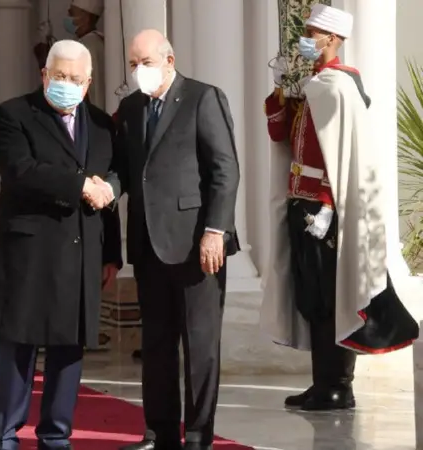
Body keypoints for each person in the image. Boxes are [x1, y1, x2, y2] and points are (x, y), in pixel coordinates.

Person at [261, 4, 418, 412]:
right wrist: (281, 94)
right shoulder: (315, 85)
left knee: (331, 299)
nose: (307, 39)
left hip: (322, 210)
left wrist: (329, 204)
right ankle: (323, 382)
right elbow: (281, 134)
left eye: (313, 32)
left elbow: (344, 156)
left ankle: (339, 385)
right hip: (301, 204)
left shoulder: (338, 87)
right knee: (312, 298)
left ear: (332, 39)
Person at [0, 39, 122, 450]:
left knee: (69, 348)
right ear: (44, 75)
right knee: (17, 346)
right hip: (30, 251)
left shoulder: (100, 124)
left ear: (89, 82)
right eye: (59, 76)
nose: (67, 85)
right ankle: (3, 436)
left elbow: (112, 178)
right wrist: (80, 186)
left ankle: (56, 436)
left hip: (81, 250)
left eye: (76, 79)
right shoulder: (13, 114)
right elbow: (21, 170)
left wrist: (111, 252)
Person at [107, 29, 240, 450]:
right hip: (148, 245)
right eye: (132, 64)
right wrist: (104, 186)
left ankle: (198, 436)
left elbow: (225, 170)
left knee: (200, 346)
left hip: (197, 245)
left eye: (145, 62)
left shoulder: (203, 98)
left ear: (169, 59)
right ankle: (159, 432)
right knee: (157, 343)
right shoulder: (129, 109)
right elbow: (126, 171)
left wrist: (215, 231)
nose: (138, 71)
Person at [64, 0, 105, 110]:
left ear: (86, 17)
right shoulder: (96, 40)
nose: (68, 17)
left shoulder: (87, 44)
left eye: (72, 14)